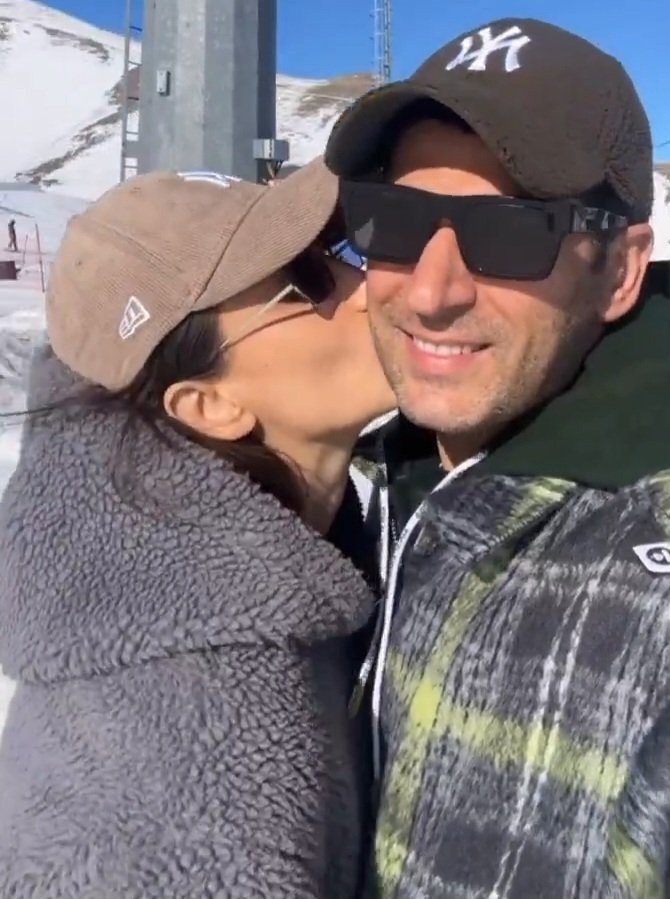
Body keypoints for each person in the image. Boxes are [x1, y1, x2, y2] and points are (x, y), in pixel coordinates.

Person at [325, 18, 670, 899]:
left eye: (509, 233)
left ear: (620, 272)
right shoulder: (384, 479)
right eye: (396, 222)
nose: (432, 291)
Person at [0, 160, 395, 898]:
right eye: (309, 279)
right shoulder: (189, 755)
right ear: (209, 407)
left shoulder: (267, 591)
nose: (375, 282)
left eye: (343, 247)